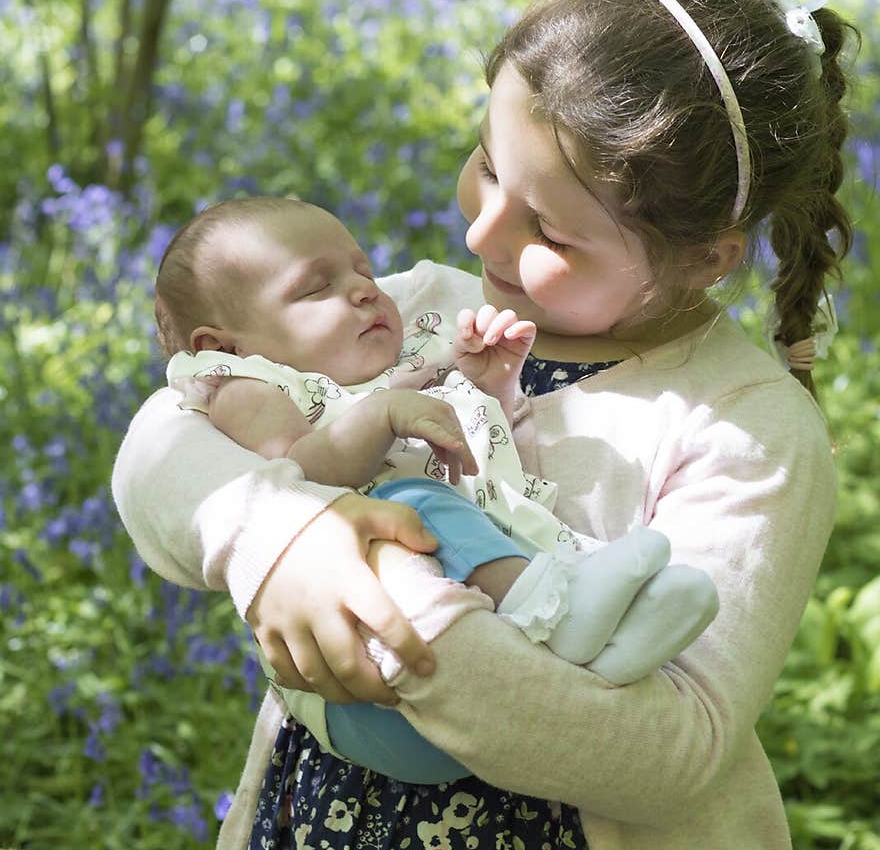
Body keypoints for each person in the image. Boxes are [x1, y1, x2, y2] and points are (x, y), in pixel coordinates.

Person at [112, 0, 856, 850]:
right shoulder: (414, 307)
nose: (478, 232)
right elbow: (172, 423)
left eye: (547, 230)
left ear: (706, 258)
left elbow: (674, 748)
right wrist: (274, 539)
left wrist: (397, 620)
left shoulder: (743, 427)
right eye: (486, 165)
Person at [153, 195, 718, 782]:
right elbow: (297, 476)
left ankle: (607, 645)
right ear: (224, 347)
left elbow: (471, 460)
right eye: (316, 288)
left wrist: (486, 390)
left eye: (364, 270)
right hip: (374, 697)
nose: (366, 289)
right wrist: (382, 415)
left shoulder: (391, 371)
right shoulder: (250, 386)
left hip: (468, 674)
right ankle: (560, 611)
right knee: (414, 507)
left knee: (489, 520)